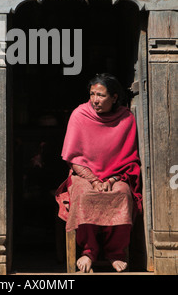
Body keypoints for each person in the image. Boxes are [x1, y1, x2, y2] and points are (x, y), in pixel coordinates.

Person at [55, 73, 142, 273]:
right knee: (85, 195)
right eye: (93, 94)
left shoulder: (126, 118)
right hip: (84, 174)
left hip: (116, 175)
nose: (95, 100)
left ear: (114, 97)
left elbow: (128, 158)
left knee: (121, 194)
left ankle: (115, 252)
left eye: (101, 95)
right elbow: (74, 158)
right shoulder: (80, 114)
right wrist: (93, 180)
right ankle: (88, 251)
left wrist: (112, 179)